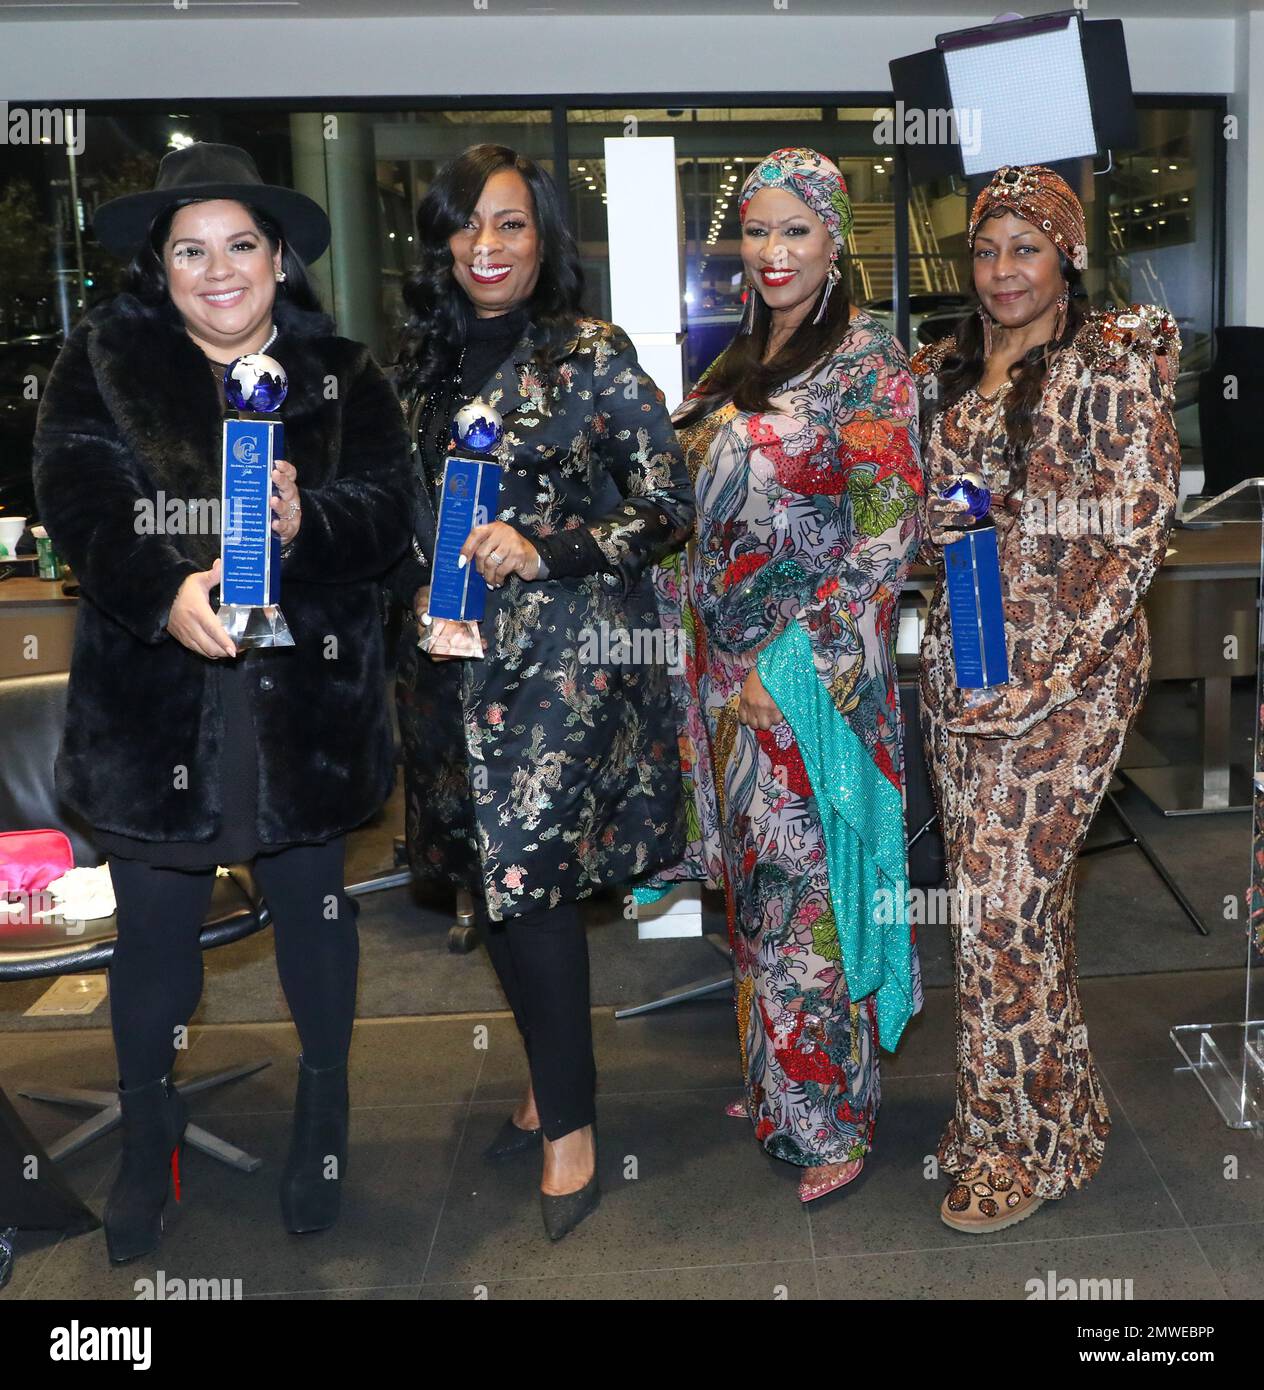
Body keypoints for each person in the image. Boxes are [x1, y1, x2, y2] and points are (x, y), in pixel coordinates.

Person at [33, 142, 412, 1263]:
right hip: (157, 711)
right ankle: (149, 1139)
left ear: (278, 254)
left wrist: (311, 523)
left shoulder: (342, 370)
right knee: (154, 941)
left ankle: (324, 1126)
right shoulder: (102, 360)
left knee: (316, 921)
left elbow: (392, 514)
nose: (217, 269)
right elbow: (79, 498)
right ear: (161, 265)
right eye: (190, 249)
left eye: (239, 244)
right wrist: (163, 592)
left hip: (305, 710)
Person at [389, 144, 694, 1240]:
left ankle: (573, 1128)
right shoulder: (414, 368)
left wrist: (547, 546)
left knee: (534, 892)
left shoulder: (589, 353)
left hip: (556, 676)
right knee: (491, 888)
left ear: (544, 238)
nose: (487, 245)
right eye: (466, 224)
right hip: (442, 672)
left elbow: (667, 505)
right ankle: (541, 1085)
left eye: (510, 224)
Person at [911, 164, 1180, 1232]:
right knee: (1015, 920)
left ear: (1066, 252)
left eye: (1024, 247)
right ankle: (1053, 1118)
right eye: (985, 248)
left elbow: (1136, 526)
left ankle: (1005, 1145)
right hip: (961, 671)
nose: (1001, 270)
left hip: (1070, 681)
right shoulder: (945, 367)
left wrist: (1041, 680)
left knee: (997, 910)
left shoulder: (1114, 357)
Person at [655, 148, 925, 1203]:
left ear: (833, 240)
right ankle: (781, 1084)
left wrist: (796, 662)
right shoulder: (738, 360)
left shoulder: (869, 361)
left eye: (794, 232)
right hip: (725, 679)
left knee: (810, 897)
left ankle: (832, 1123)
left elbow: (886, 533)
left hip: (804, 681)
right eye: (757, 231)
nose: (772, 252)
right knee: (759, 898)